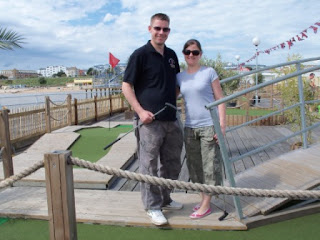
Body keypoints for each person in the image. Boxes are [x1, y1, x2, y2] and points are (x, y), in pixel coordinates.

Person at [122, 13, 183, 226]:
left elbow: (175, 85)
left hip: (171, 119)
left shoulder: (172, 55)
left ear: (169, 31)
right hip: (149, 122)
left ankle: (165, 198)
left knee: (172, 164)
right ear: (150, 29)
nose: (161, 32)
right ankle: (152, 206)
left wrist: (169, 101)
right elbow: (126, 86)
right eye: (158, 28)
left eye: (165, 29)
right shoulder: (140, 55)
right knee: (149, 165)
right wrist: (140, 111)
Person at [176, 39, 226, 219]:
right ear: (183, 54)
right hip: (190, 127)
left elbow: (220, 99)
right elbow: (170, 95)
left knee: (210, 166)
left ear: (200, 54)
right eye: (188, 52)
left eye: (195, 52)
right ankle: (204, 199)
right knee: (195, 167)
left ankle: (206, 205)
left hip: (208, 126)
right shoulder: (180, 77)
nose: (191, 55)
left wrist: (221, 125)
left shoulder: (209, 72)